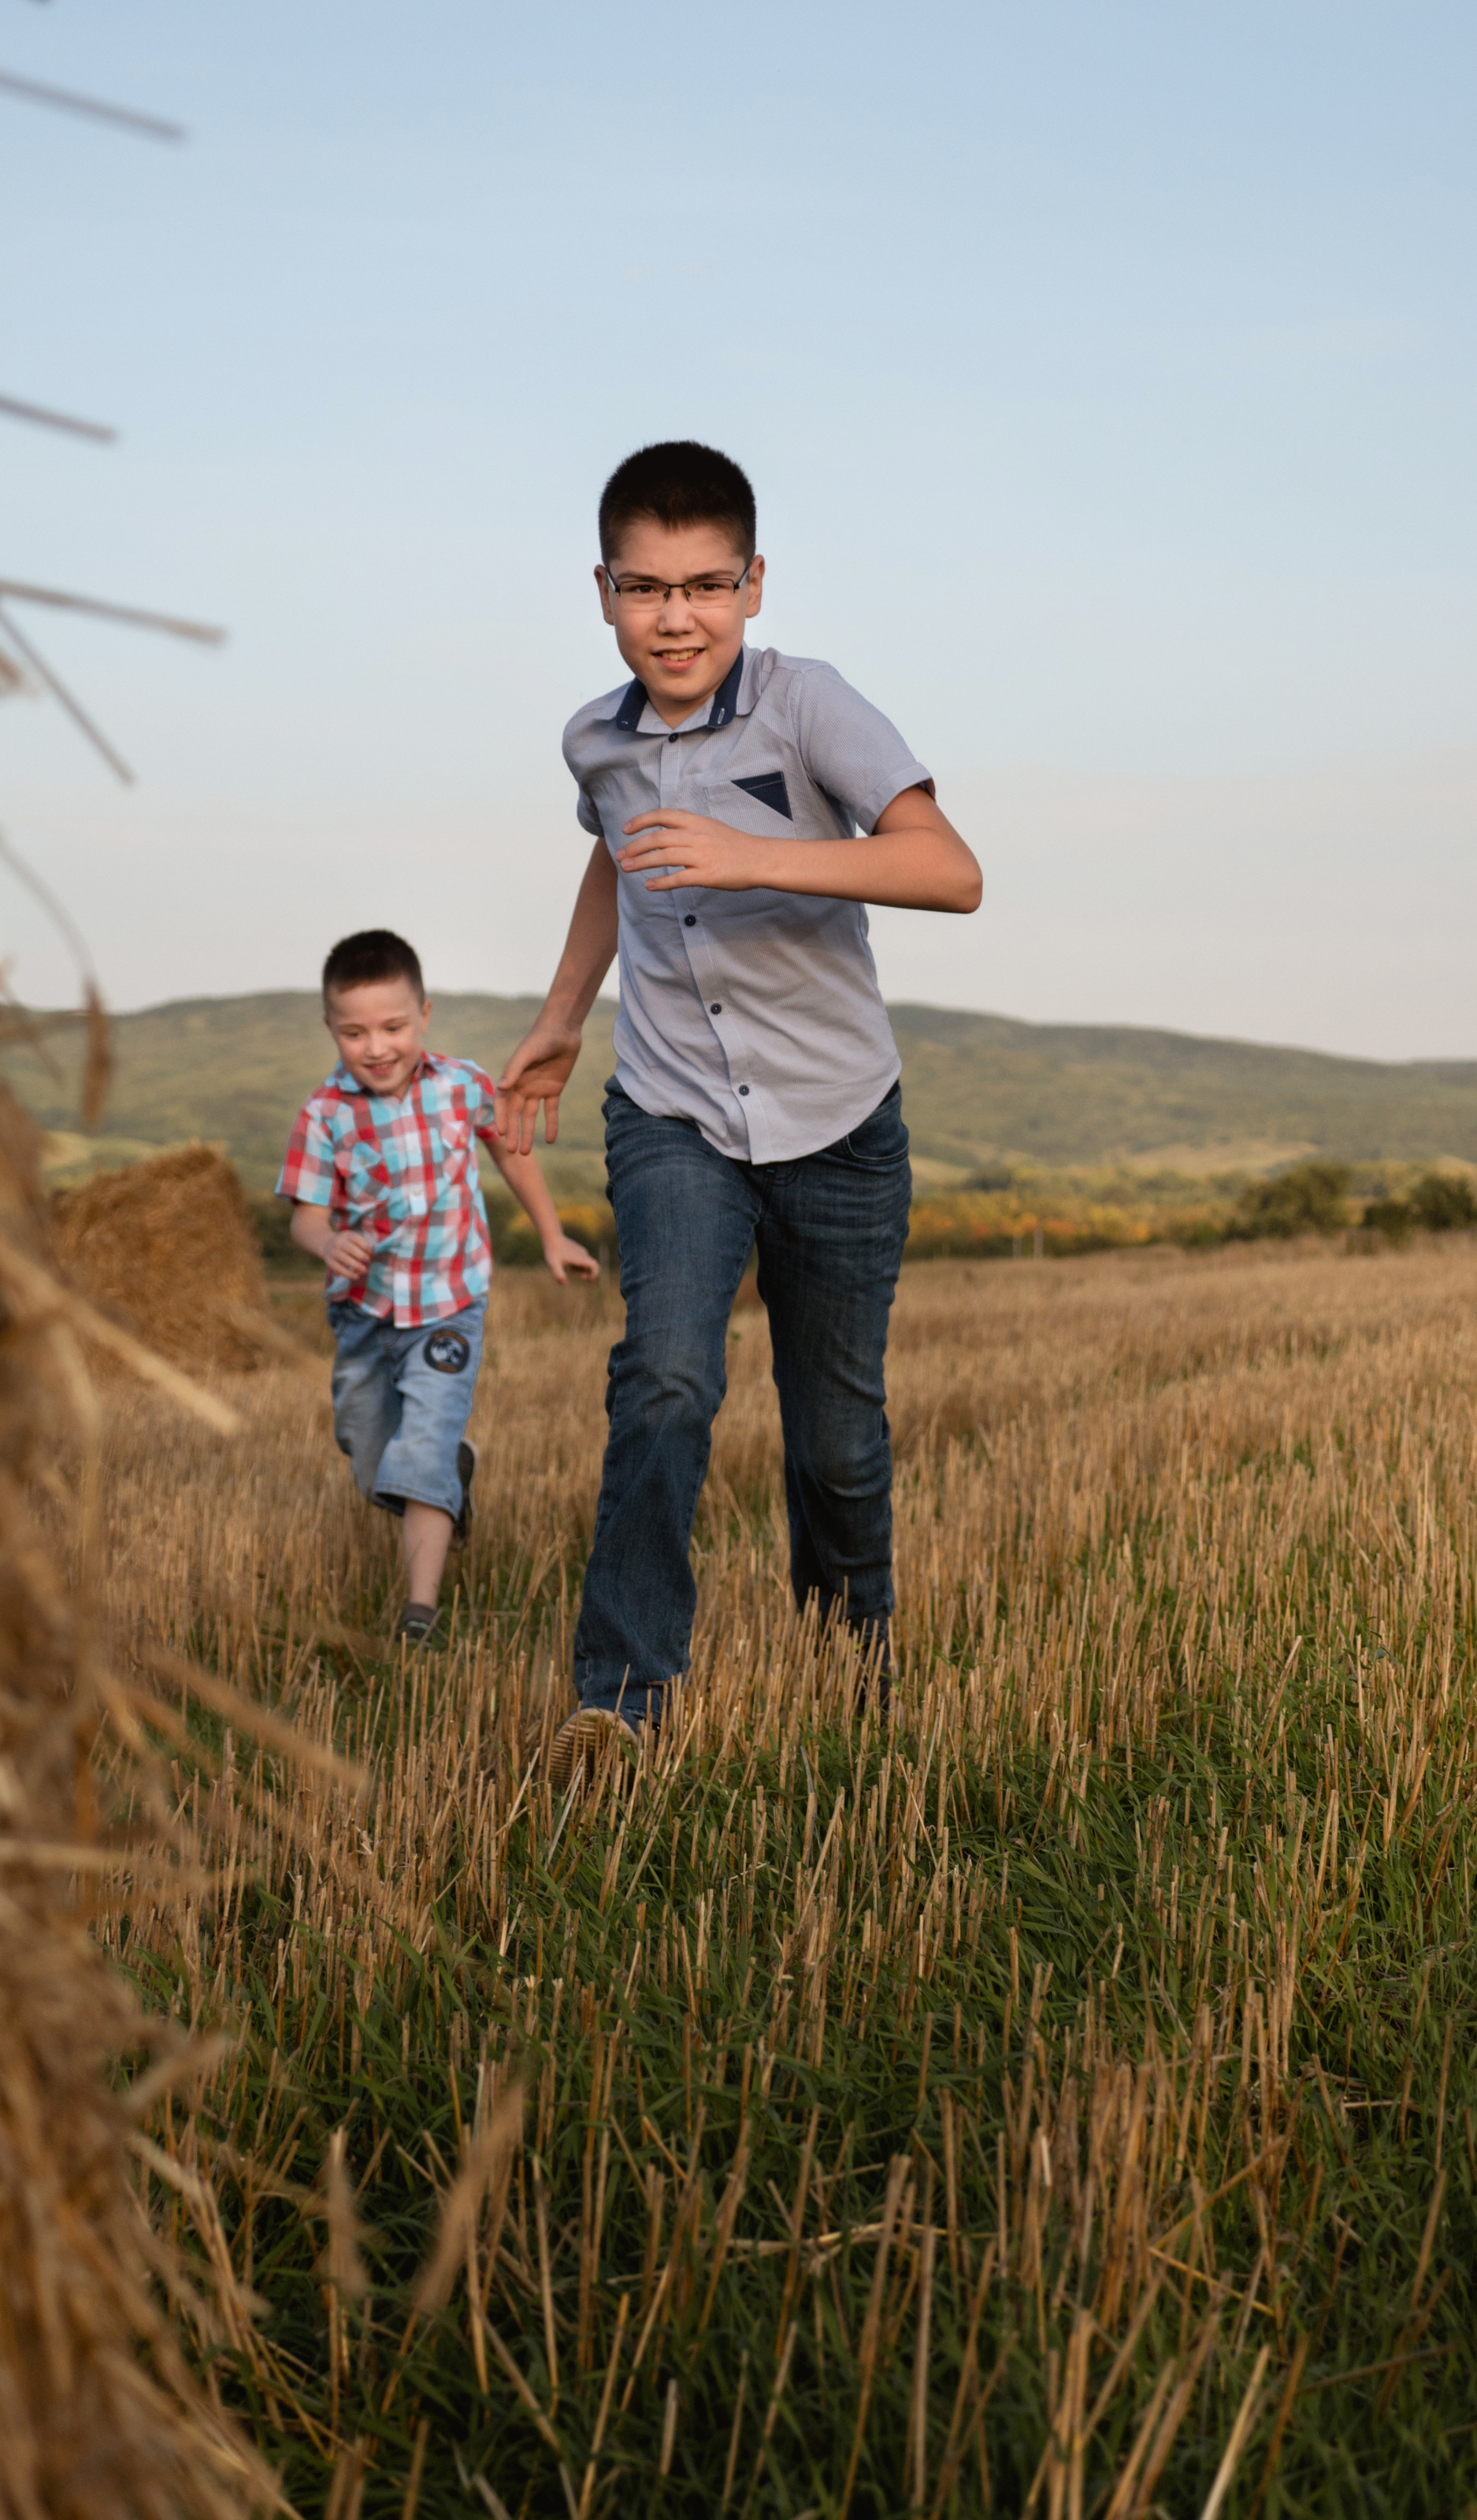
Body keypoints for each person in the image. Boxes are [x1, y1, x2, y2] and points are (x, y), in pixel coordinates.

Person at [496, 442, 982, 1776]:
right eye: (646, 587)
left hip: (838, 1119)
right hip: (674, 1113)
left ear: (755, 585)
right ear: (603, 591)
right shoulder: (593, 739)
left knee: (837, 1441)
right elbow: (618, 861)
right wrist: (558, 1018)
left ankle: (852, 1656)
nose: (676, 616)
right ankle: (620, 1701)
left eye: (707, 585)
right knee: (663, 1382)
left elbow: (953, 872)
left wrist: (755, 853)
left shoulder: (808, 707)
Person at [280, 928, 599, 1645]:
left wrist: (551, 1235)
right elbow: (304, 1220)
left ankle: (419, 1615)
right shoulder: (323, 1116)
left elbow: (512, 1157)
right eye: (355, 1032)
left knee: (418, 1453)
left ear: (424, 1014)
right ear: (330, 1029)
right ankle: (452, 1475)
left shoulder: (461, 1085)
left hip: (450, 1306)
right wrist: (329, 1240)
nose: (377, 1047)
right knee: (374, 1462)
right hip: (364, 1319)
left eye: (393, 1027)